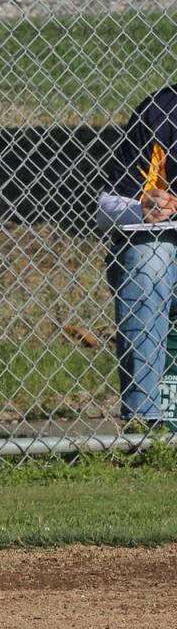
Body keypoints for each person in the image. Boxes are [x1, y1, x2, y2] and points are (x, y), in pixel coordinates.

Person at [97, 85, 177, 428]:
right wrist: (144, 210)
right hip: (169, 258)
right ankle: (146, 426)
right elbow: (107, 207)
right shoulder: (163, 110)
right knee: (148, 258)